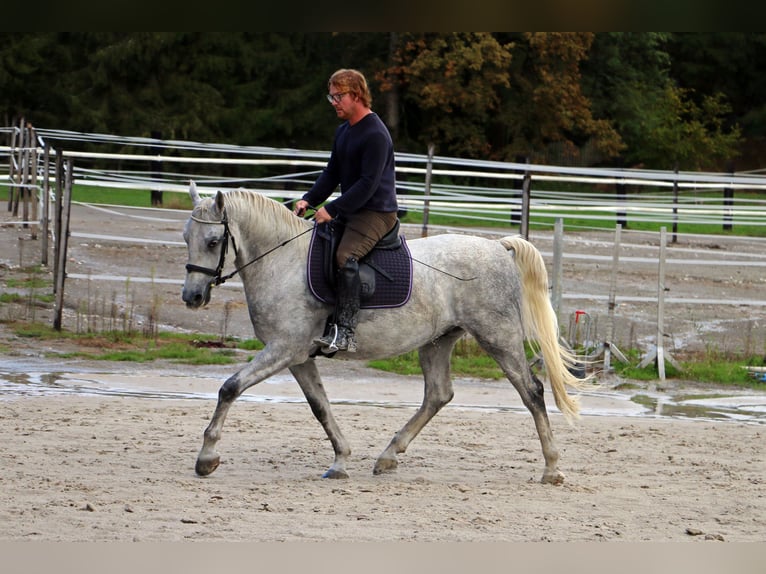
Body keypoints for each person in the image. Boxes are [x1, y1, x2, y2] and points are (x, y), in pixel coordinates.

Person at [294, 68, 399, 353]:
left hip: (376, 212)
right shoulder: (344, 131)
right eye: (331, 97)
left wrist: (333, 209)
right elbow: (332, 174)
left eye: (338, 96)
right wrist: (309, 199)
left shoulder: (376, 134)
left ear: (356, 95)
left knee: (345, 255)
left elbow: (367, 184)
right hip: (353, 209)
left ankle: (345, 331)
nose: (334, 103)